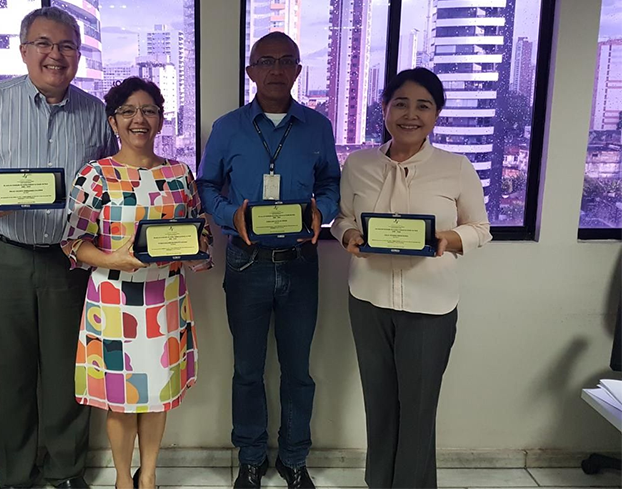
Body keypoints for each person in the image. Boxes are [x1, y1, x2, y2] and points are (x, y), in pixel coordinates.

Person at [0, 7, 117, 489]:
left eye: (66, 46)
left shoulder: (95, 112)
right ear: (24, 50)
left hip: (69, 259)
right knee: (5, 372)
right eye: (44, 44)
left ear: (79, 55)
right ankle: (14, 473)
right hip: (4, 254)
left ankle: (66, 470)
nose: (55, 55)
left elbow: (107, 182)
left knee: (67, 372)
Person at [330, 67, 492, 489]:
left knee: (418, 410)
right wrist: (347, 233)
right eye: (400, 103)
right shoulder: (360, 163)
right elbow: (342, 217)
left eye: (424, 106)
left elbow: (481, 228)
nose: (410, 114)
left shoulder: (456, 168)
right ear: (384, 107)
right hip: (368, 299)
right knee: (379, 405)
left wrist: (449, 237)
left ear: (436, 114)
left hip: (430, 305)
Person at [197, 32, 340, 489]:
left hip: (300, 262)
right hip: (246, 263)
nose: (276, 70)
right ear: (251, 71)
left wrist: (325, 210)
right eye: (266, 61)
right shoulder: (227, 127)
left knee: (299, 371)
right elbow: (207, 186)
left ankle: (295, 459)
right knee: (247, 370)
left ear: (298, 70)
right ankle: (252, 458)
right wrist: (228, 216)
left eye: (286, 61)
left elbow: (332, 183)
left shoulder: (318, 126)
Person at [61, 77, 210, 489]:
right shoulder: (95, 175)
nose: (138, 119)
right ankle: (123, 479)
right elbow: (73, 242)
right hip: (113, 301)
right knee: (122, 397)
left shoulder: (180, 175)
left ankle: (148, 476)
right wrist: (112, 259)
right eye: (128, 111)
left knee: (158, 392)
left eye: (148, 110)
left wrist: (192, 248)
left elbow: (201, 232)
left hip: (165, 298)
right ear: (113, 121)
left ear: (161, 120)